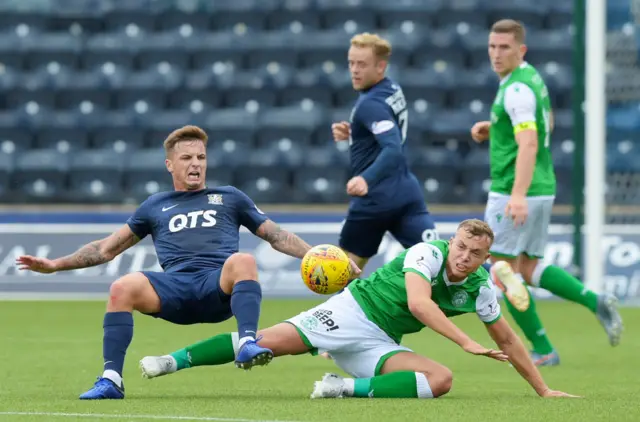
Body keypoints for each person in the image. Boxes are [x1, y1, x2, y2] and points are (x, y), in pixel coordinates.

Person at [15, 125, 342, 400]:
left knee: (243, 260)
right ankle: (111, 379)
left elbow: (277, 235)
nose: (195, 164)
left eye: (201, 157)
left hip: (217, 285)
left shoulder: (230, 197)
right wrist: (55, 265)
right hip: (174, 289)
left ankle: (247, 343)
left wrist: (318, 256)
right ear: (170, 164)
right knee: (121, 287)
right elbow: (105, 250)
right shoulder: (155, 205)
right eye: (186, 158)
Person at [138, 220, 577, 400]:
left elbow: (507, 339)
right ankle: (169, 362)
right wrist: (465, 340)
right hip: (352, 311)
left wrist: (542, 390)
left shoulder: (480, 289)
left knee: (440, 381)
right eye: (461, 245)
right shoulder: (428, 253)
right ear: (453, 241)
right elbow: (420, 305)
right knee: (262, 344)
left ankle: (342, 387)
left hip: (380, 341)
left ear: (485, 257)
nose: (463, 255)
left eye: (474, 252)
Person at [470, 19, 623, 366]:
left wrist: (517, 194)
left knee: (501, 270)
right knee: (527, 268)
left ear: (521, 49)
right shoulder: (530, 78)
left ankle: (542, 349)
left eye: (504, 47)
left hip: (514, 189)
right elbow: (546, 122)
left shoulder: (516, 90)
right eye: (492, 47)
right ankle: (593, 300)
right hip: (542, 185)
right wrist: (495, 129)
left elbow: (530, 140)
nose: (496, 54)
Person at [331, 32, 438, 273]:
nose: (354, 70)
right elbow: (386, 132)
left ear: (381, 66)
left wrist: (364, 178)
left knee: (344, 276)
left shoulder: (369, 104)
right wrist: (355, 134)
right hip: (405, 194)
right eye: (351, 63)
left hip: (373, 201)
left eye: (362, 64)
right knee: (438, 262)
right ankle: (491, 274)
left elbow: (393, 148)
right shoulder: (391, 89)